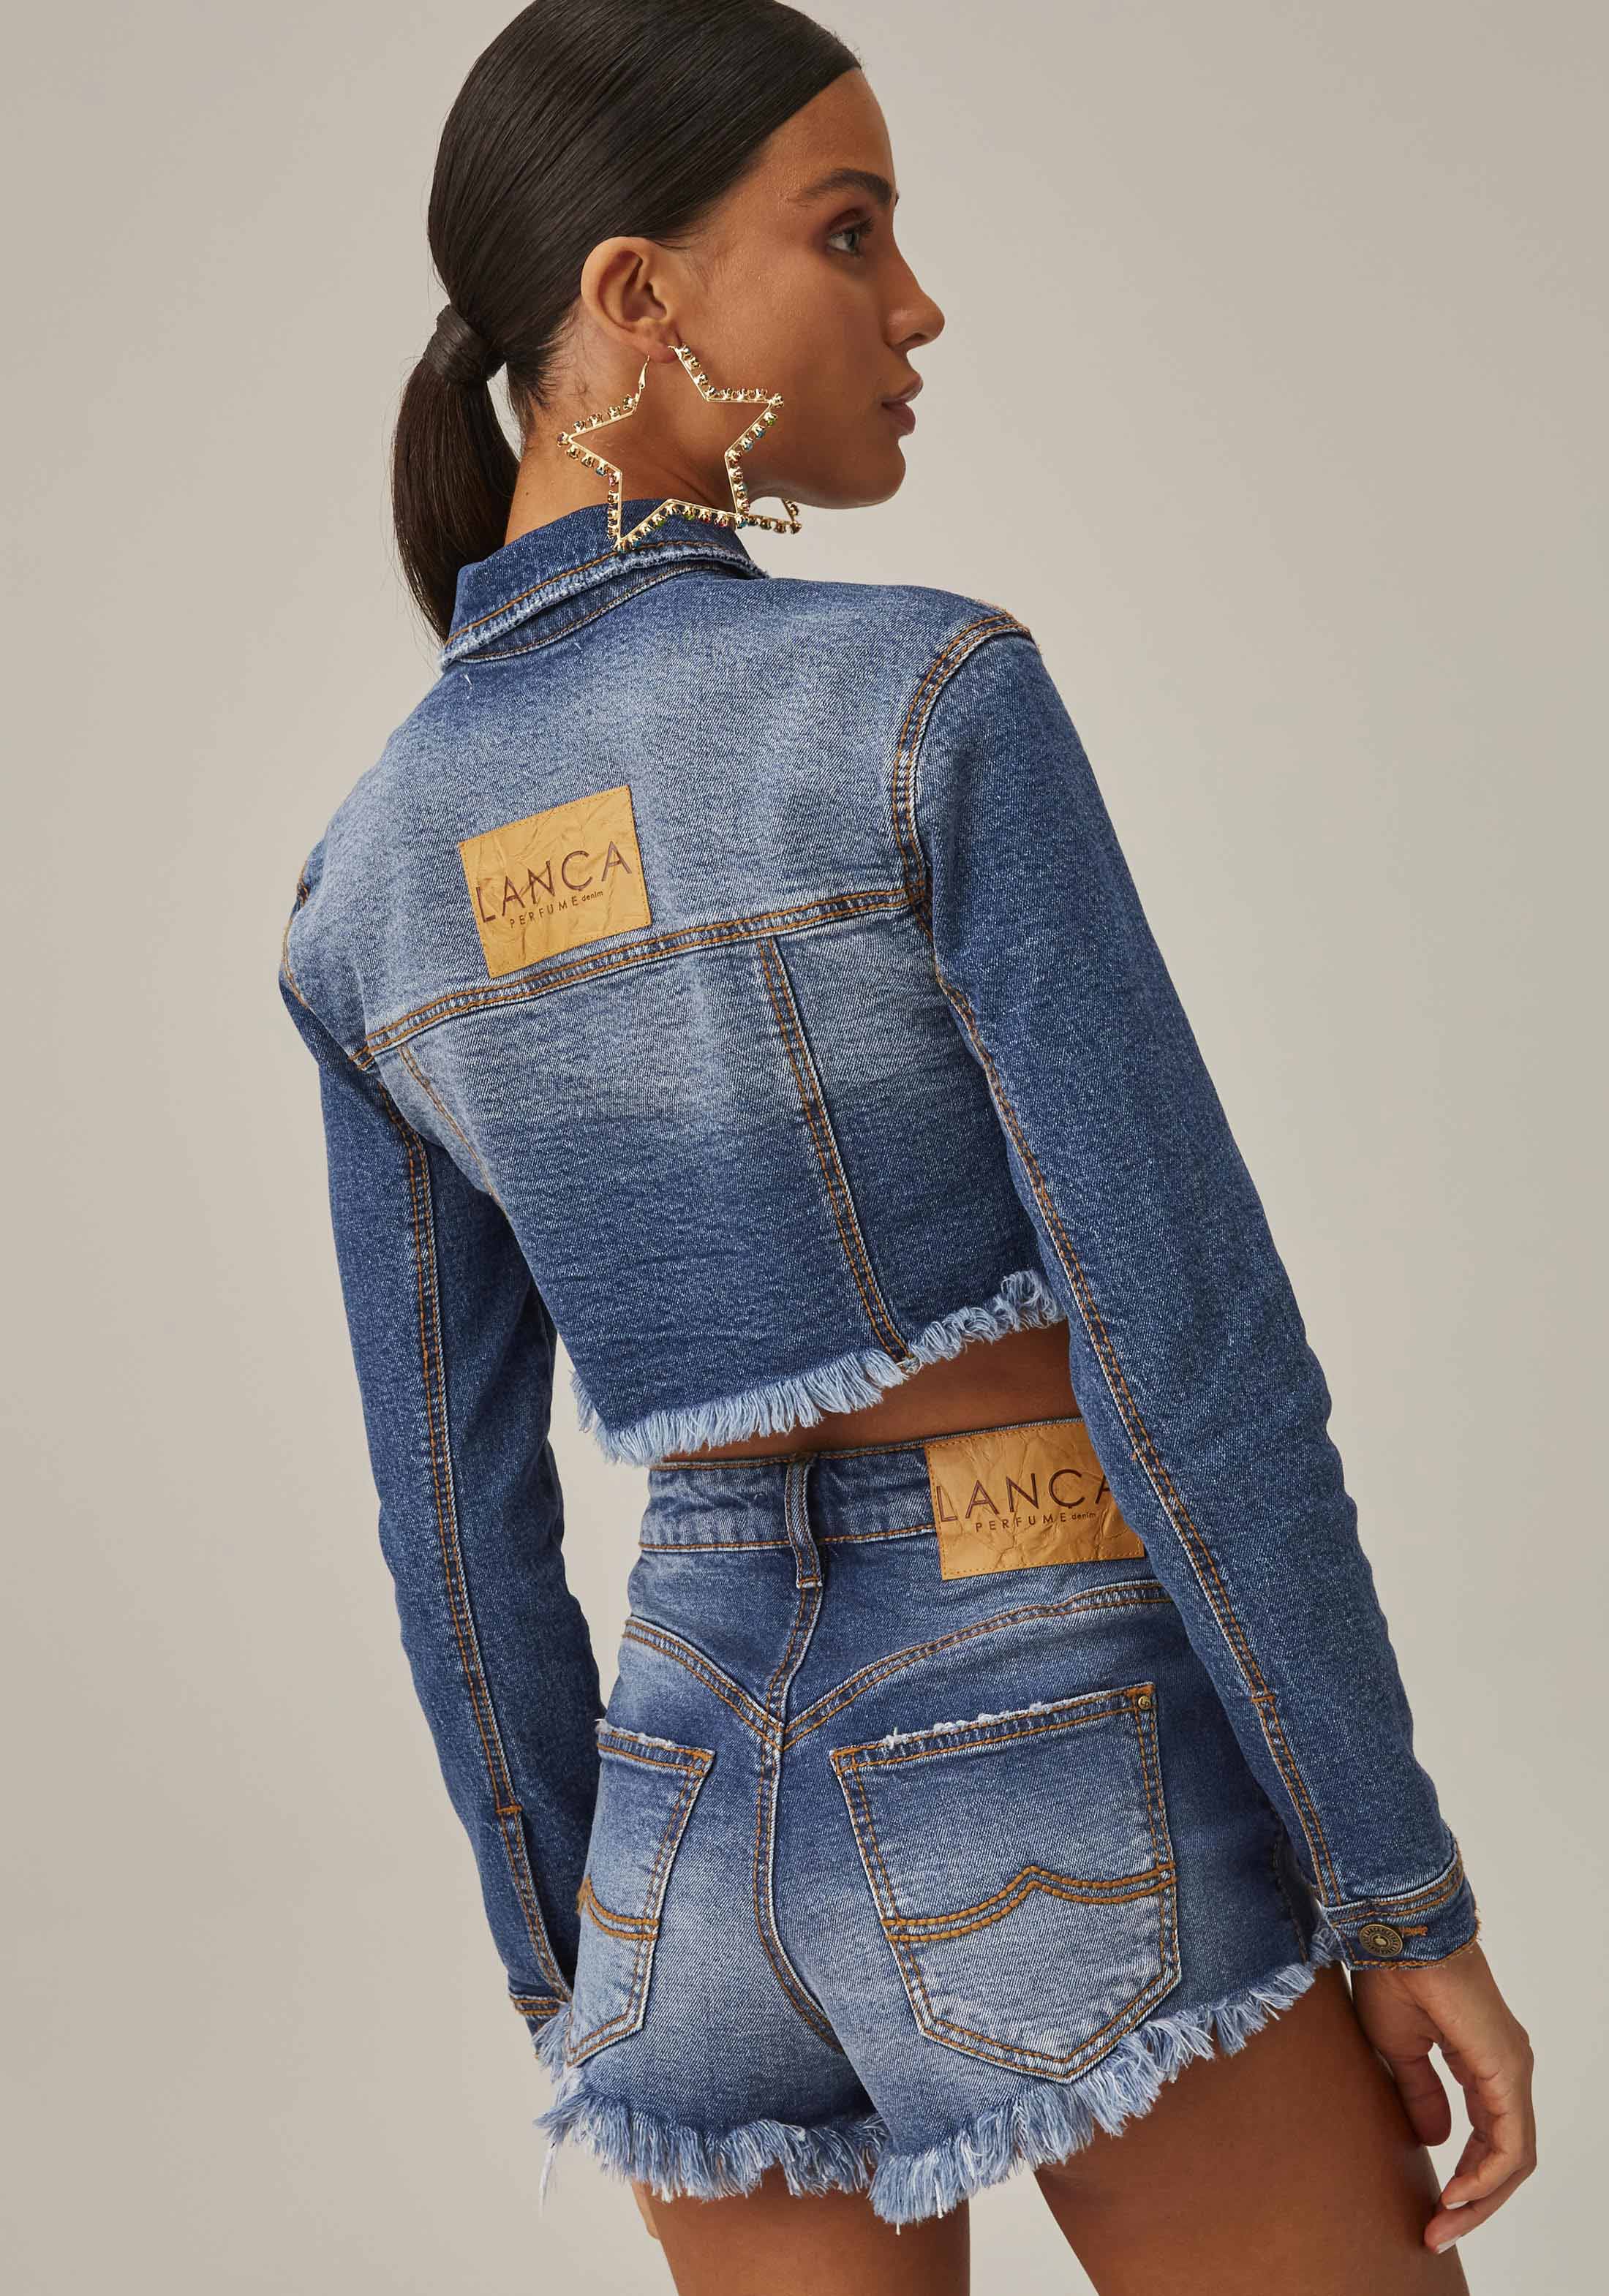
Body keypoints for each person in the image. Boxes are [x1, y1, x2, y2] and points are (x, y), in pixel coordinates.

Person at [276, 4, 1536, 2289]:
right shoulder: (924, 702)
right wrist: (1396, 1883)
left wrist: (578, 1965)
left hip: (676, 1813)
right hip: (1045, 1726)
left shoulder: (364, 882)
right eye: (849, 235)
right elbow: (1190, 1351)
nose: (918, 305)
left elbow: (451, 1531)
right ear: (637, 296)